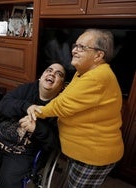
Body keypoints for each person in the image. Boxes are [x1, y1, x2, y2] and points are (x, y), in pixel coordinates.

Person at [20, 29, 124, 187]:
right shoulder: (82, 72)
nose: (74, 50)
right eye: (75, 45)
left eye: (82, 47)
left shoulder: (98, 77)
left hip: (93, 154)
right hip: (83, 149)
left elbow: (63, 105)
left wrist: (36, 111)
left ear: (98, 55)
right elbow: (64, 97)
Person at [0, 63, 66, 188]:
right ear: (41, 77)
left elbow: (55, 143)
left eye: (58, 74)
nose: (52, 73)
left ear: (61, 86)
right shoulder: (27, 89)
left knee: (9, 182)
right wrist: (26, 106)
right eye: (49, 70)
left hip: (22, 154)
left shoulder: (60, 108)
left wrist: (37, 128)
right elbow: (4, 104)